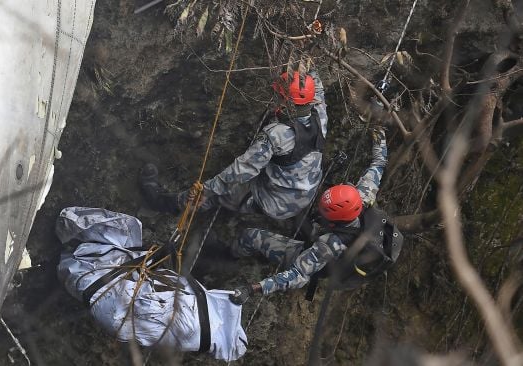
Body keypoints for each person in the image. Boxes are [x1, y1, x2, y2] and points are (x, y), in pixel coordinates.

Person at [228, 127, 403, 304]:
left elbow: (298, 275)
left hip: (314, 255)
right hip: (320, 232)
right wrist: (379, 134)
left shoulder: (330, 245)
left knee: (250, 236)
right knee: (299, 209)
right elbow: (378, 164)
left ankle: (228, 256)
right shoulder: (362, 196)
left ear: (335, 221)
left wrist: (253, 288)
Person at [57, 207, 248, 361]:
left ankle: (62, 235)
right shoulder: (200, 322)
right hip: (116, 304)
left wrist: (148, 262)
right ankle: (68, 250)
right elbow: (171, 285)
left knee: (124, 231)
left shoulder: (194, 326)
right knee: (116, 250)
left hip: (114, 299)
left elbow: (146, 304)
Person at [139, 65, 328, 220]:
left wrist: (207, 189)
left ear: (285, 102)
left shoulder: (277, 135)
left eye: (278, 96)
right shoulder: (319, 117)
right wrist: (309, 66)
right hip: (303, 192)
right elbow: (316, 88)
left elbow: (243, 170)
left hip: (274, 201)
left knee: (212, 196)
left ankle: (160, 203)